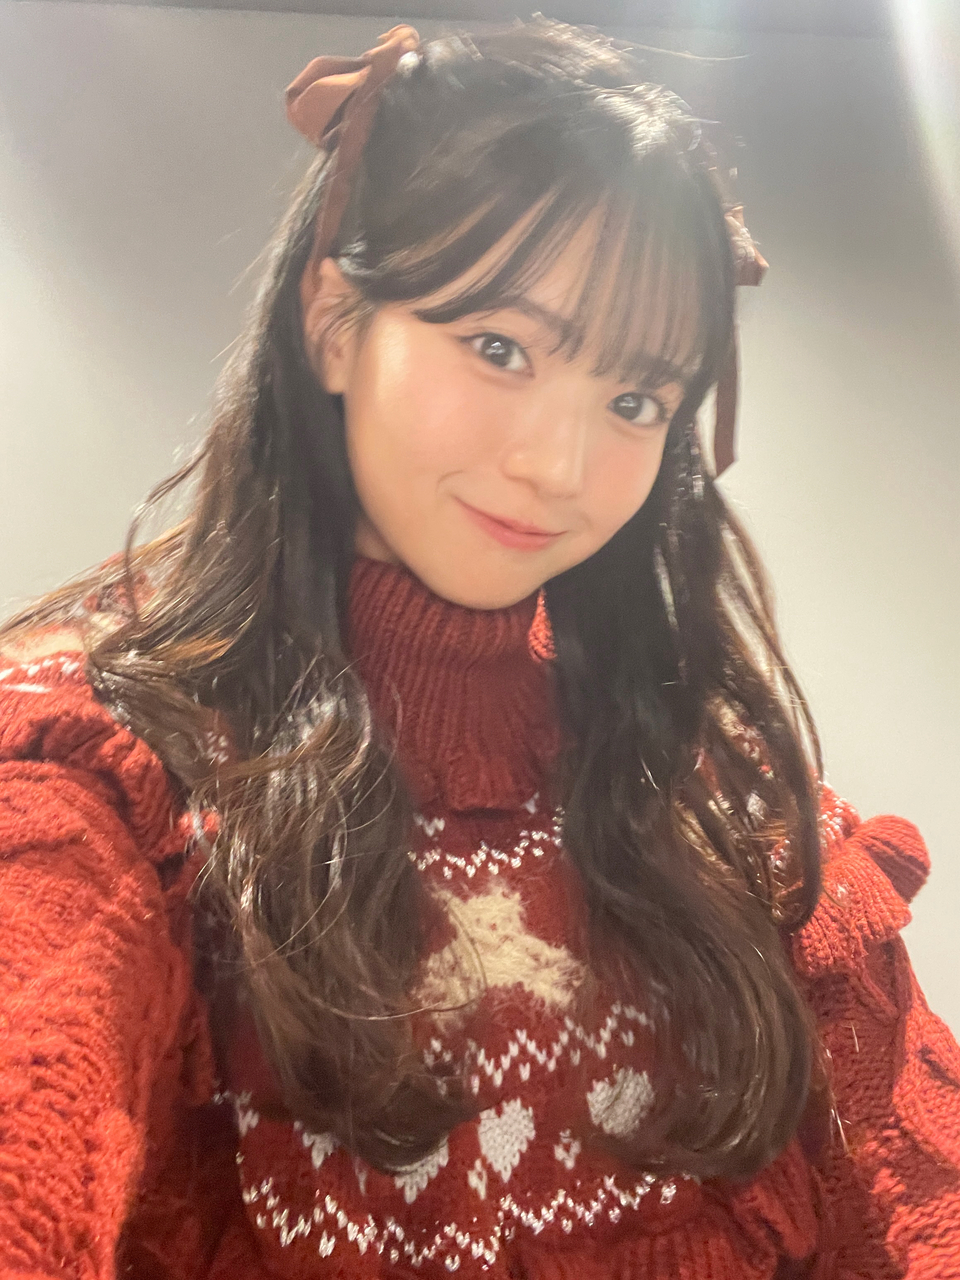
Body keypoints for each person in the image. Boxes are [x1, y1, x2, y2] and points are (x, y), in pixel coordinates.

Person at [1, 18, 958, 1280]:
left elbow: (913, 1195)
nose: (559, 466)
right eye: (500, 347)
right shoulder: (110, 765)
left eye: (635, 398)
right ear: (334, 319)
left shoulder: (710, 782)